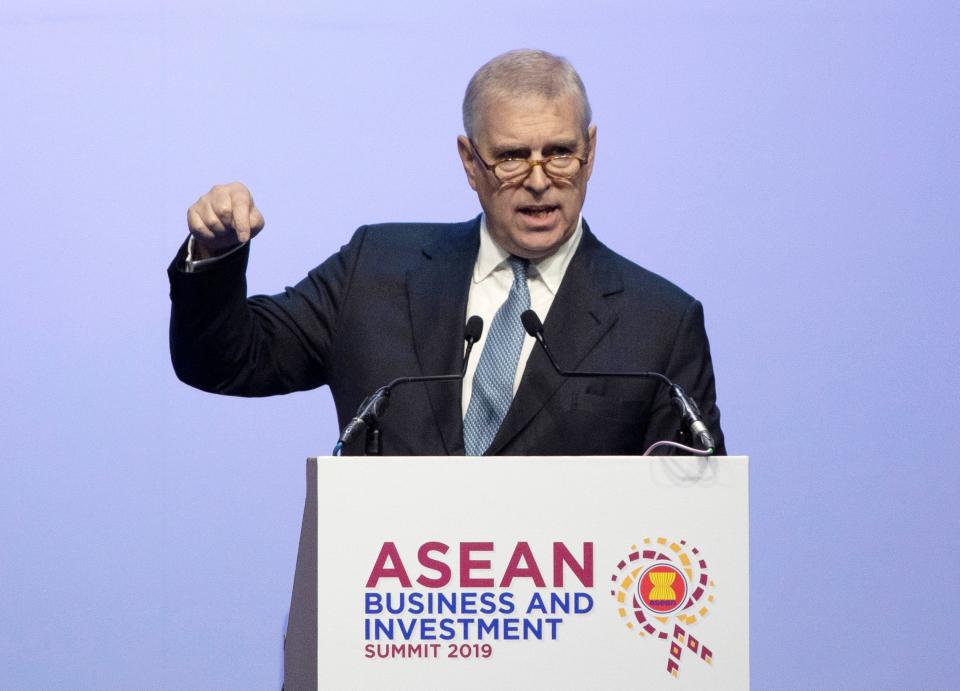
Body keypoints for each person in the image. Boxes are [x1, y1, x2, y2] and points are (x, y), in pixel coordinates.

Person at [168, 49, 725, 456]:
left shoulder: (659, 324)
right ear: (469, 162)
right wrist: (213, 256)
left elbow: (691, 519)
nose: (539, 181)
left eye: (559, 153)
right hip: (388, 606)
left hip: (573, 610)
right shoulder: (376, 269)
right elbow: (224, 361)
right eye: (510, 157)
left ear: (591, 152)